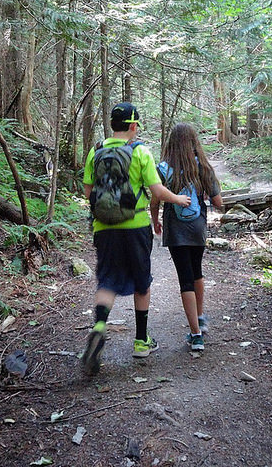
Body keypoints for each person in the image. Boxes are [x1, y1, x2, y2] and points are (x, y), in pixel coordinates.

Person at [81, 103, 191, 376]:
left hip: (103, 227)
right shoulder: (140, 151)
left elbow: (87, 191)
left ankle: (98, 327)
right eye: (137, 125)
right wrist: (178, 199)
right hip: (136, 226)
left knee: (107, 279)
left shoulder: (95, 150)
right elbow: (157, 190)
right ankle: (141, 341)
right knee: (142, 281)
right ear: (132, 126)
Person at [150, 123, 223, 351]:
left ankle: (196, 335)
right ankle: (200, 318)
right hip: (198, 228)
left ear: (171, 142)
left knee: (185, 279)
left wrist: (156, 221)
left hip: (176, 230)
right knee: (197, 271)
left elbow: (155, 201)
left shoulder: (162, 168)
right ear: (194, 142)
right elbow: (219, 203)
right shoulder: (203, 167)